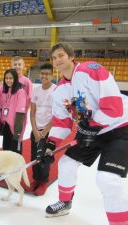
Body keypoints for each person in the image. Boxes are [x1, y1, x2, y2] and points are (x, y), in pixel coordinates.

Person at [39, 42, 128, 224]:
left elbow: (114, 108)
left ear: (71, 56)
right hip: (92, 130)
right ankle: (65, 203)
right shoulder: (60, 90)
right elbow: (62, 122)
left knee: (107, 179)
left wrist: (92, 126)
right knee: (66, 163)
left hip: (119, 128)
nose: (57, 60)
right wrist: (49, 144)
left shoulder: (91, 70)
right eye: (54, 58)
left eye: (61, 55)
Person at [30, 63, 56, 196]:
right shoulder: (36, 90)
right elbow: (32, 112)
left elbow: (57, 114)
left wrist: (45, 131)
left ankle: (43, 181)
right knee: (34, 156)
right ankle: (36, 179)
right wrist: (34, 130)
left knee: (44, 157)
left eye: (47, 74)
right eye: (42, 73)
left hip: (49, 131)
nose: (44, 76)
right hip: (36, 129)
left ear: (52, 75)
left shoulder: (56, 90)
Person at [0, 69, 28, 154]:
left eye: (11, 78)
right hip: (6, 127)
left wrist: (17, 132)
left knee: (16, 155)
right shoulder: (5, 91)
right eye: (6, 78)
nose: (8, 80)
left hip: (15, 128)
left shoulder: (20, 92)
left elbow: (20, 113)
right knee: (6, 153)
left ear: (15, 78)